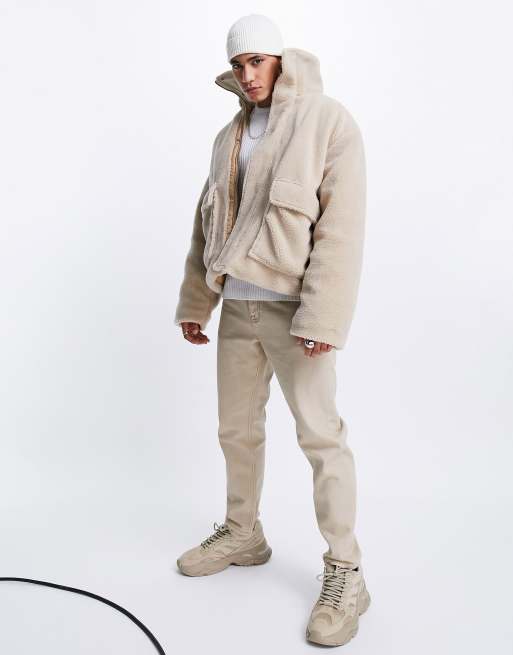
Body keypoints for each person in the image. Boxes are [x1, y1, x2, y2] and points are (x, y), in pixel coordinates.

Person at [173, 13, 370, 647]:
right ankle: (243, 533)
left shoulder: (327, 121)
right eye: (238, 65)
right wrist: (197, 302)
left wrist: (323, 317)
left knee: (321, 438)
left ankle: (347, 572)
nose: (247, 74)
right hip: (238, 310)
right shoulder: (227, 137)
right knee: (236, 431)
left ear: (280, 59)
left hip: (295, 314)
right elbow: (208, 224)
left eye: (256, 61)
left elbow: (341, 229)